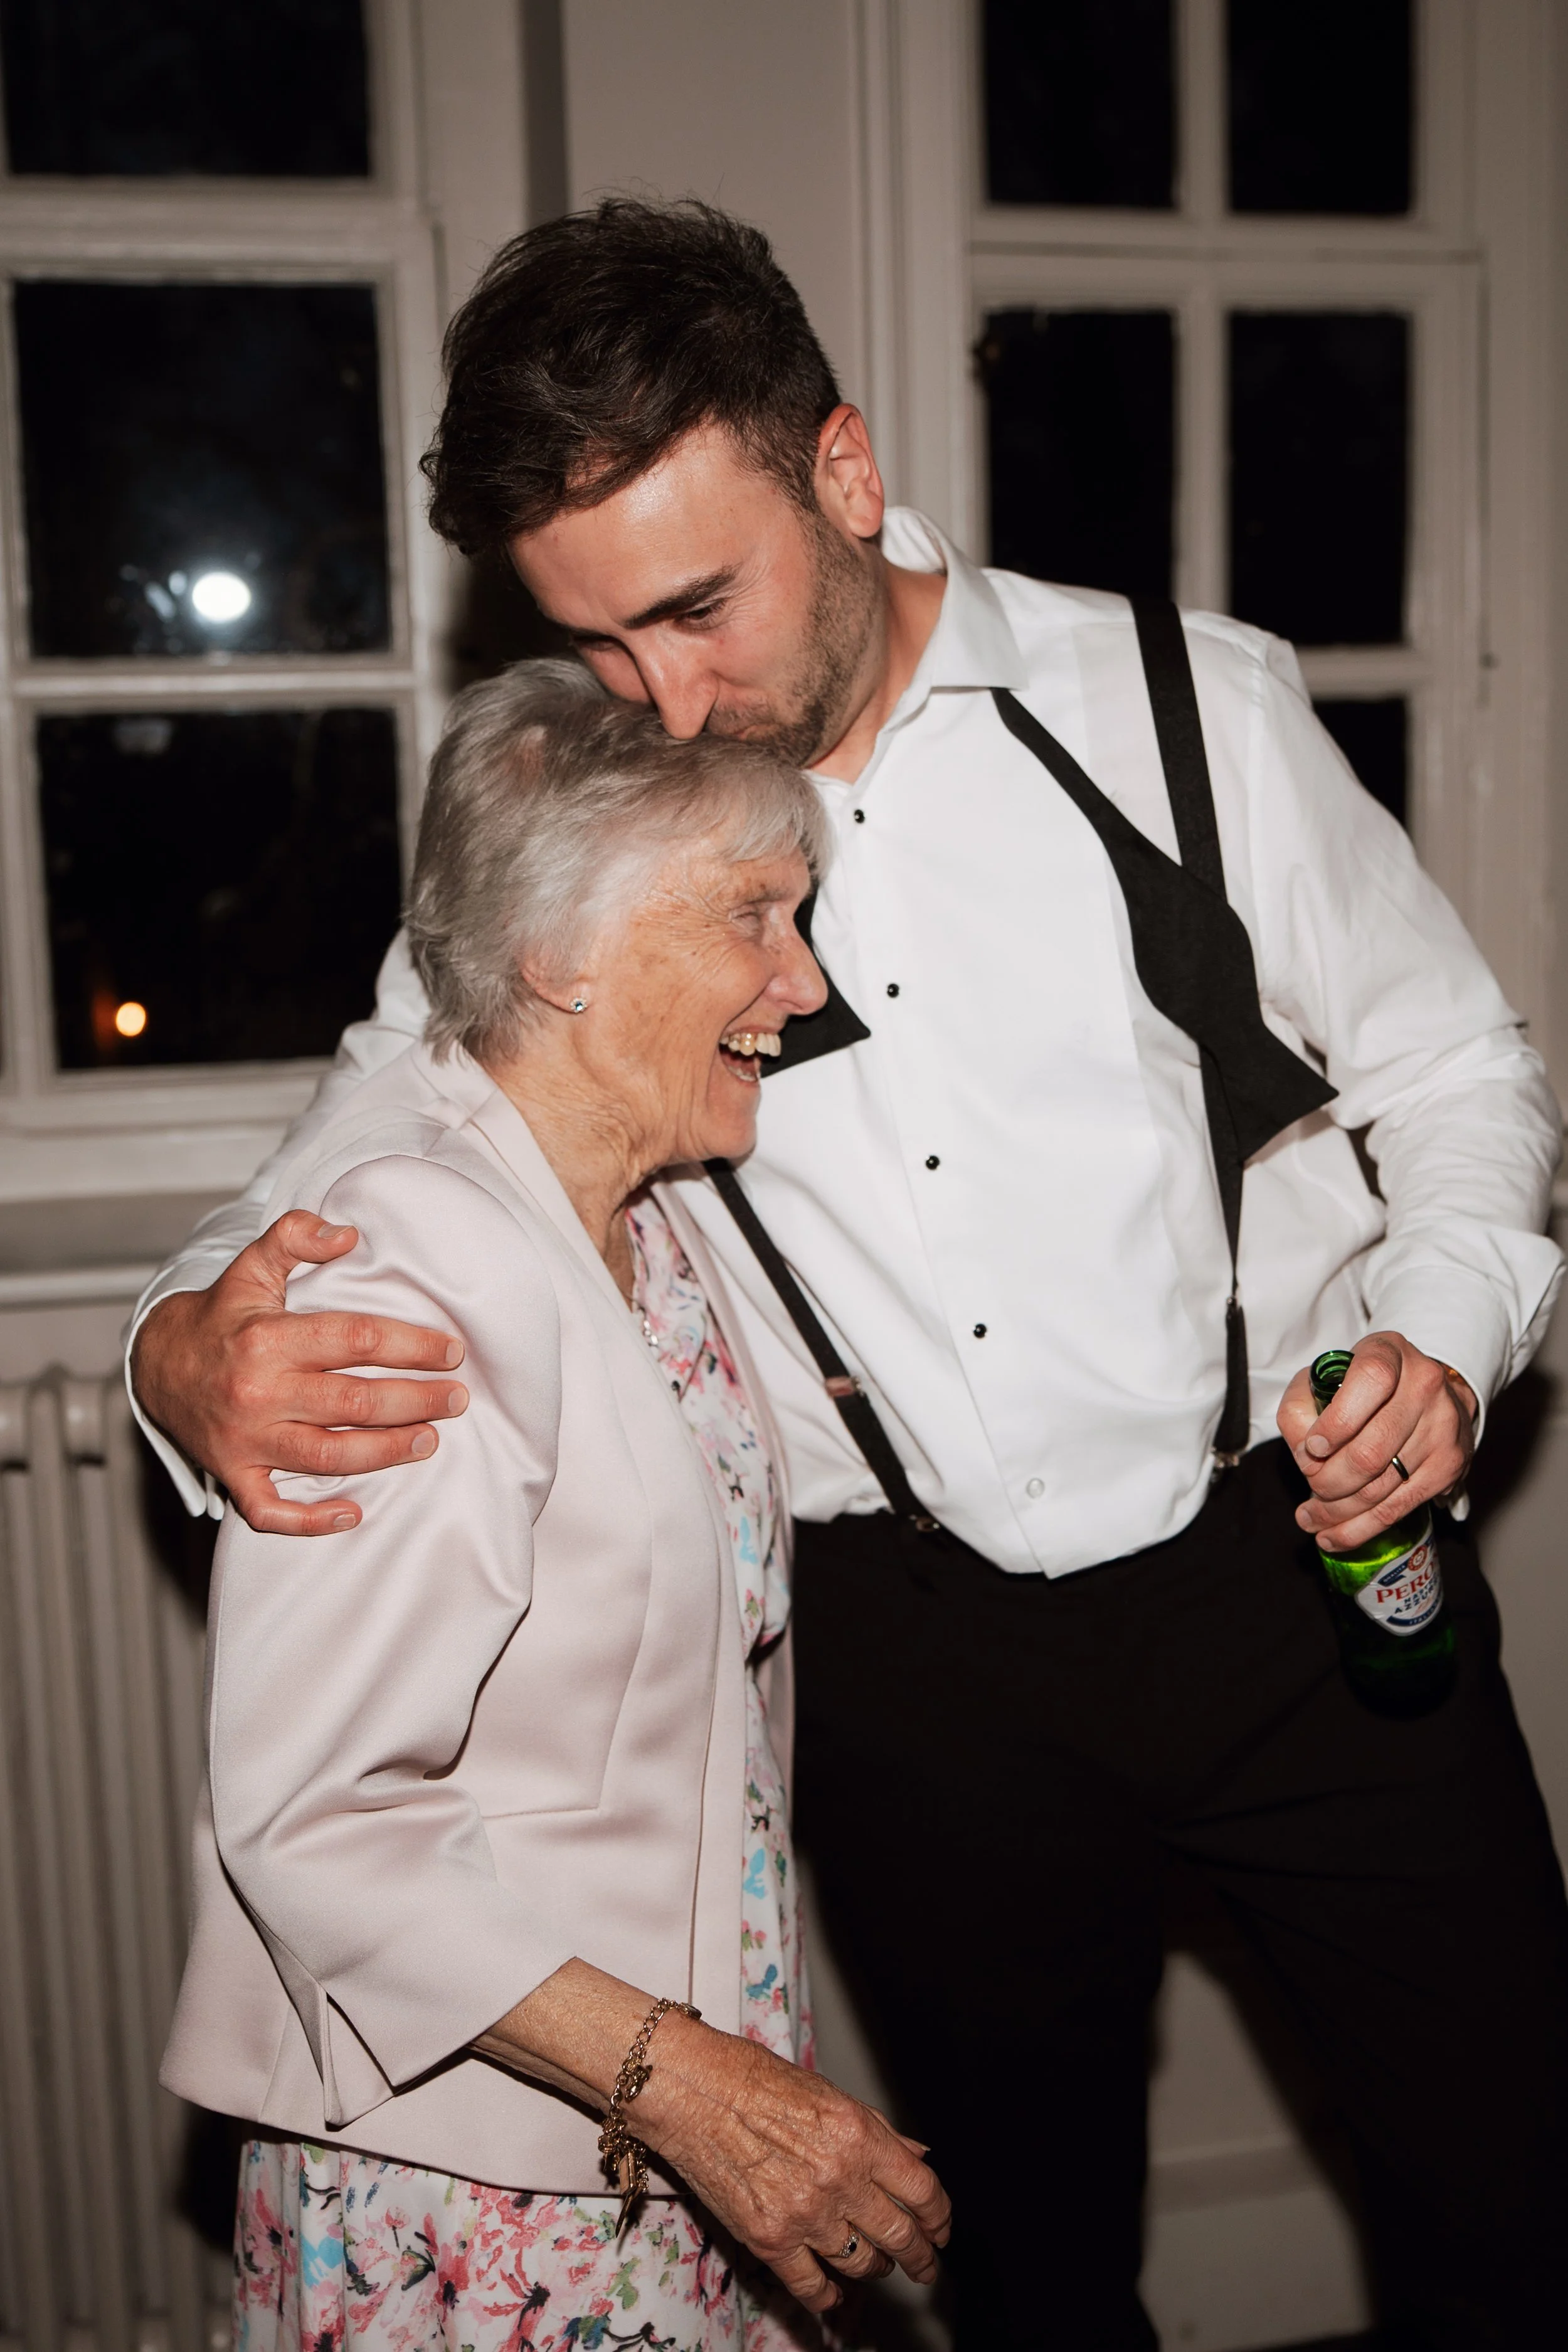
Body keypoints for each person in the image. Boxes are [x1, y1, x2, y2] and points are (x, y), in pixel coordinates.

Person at [135, 202, 1568, 2347]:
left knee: (1523, 2196)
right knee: (1033, 2279)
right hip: (915, 1667)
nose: (665, 696)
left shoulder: (1197, 707)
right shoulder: (605, 817)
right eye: (602, 642)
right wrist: (180, 1349)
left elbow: (1457, 1069)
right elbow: (363, 1132)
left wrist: (1445, 1340)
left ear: (844, 469)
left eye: (698, 608)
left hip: (1297, 1581)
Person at [159, 659, 951, 2352]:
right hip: (486, 2182)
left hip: (644, 2118)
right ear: (557, 952)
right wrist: (698, 2091)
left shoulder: (648, 1207)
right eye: (752, 913)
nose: (800, 982)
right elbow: (308, 1818)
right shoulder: (411, 1283)